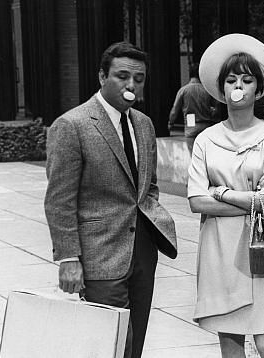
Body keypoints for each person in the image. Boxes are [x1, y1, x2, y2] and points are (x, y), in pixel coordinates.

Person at [44, 41, 177, 358]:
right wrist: (68, 259)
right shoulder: (71, 125)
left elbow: (149, 185)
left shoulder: (143, 124)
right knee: (110, 346)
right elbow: (59, 201)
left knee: (135, 345)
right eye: (122, 76)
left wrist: (151, 219)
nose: (131, 85)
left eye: (139, 78)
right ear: (102, 77)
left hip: (142, 253)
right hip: (99, 257)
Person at [187, 34, 264, 358]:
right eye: (231, 80)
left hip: (259, 247)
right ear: (221, 88)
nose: (238, 86)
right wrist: (249, 200)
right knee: (229, 342)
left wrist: (224, 193)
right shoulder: (206, 139)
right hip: (218, 249)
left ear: (258, 87)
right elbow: (197, 202)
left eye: (246, 79)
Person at [168, 62, 218, 138]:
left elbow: (174, 110)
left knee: (191, 150)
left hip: (190, 124)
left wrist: (171, 123)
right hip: (206, 124)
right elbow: (216, 108)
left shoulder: (183, 90)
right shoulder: (207, 90)